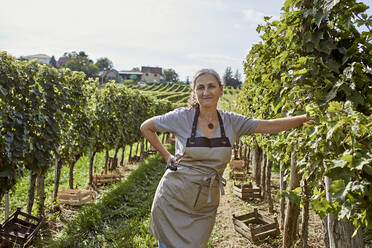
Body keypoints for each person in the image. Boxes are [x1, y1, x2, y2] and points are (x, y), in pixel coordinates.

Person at [140, 69, 311, 248]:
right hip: (174, 198)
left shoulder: (232, 122)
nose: (206, 92)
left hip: (205, 202)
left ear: (221, 89)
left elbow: (268, 126)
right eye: (200, 88)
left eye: (211, 86)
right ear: (194, 91)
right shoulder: (181, 117)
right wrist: (167, 156)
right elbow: (146, 127)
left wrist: (304, 118)